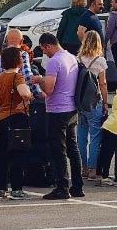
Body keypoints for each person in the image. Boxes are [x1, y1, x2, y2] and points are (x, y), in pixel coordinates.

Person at [35, 33, 84, 200]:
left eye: (43, 49)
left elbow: (48, 89)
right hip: (71, 108)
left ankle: (62, 187)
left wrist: (39, 79)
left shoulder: (54, 61)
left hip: (57, 110)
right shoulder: (71, 57)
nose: (44, 53)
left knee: (58, 150)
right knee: (72, 147)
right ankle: (77, 186)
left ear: (48, 45)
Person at [0, 47, 33, 200]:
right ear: (18, 60)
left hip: (1, 118)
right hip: (16, 117)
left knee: (3, 155)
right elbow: (24, 93)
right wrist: (29, 96)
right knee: (17, 154)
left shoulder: (1, 76)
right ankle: (16, 188)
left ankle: (0, 188)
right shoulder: (17, 77)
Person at [76, 31, 108, 181]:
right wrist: (106, 103)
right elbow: (103, 84)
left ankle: (82, 166)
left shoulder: (78, 60)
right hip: (95, 101)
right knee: (95, 135)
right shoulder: (100, 61)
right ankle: (92, 168)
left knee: (82, 134)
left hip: (81, 102)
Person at [0, 29, 42, 100]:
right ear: (21, 42)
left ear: (6, 41)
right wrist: (38, 93)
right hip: (18, 101)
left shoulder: (0, 57)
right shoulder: (22, 55)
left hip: (2, 100)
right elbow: (27, 76)